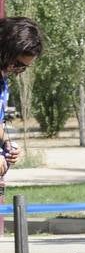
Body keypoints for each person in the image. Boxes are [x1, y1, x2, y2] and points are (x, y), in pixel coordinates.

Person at [0, 17, 44, 189]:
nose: (16, 70)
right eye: (17, 64)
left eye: (24, 68)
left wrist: (7, 144)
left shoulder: (3, 81)